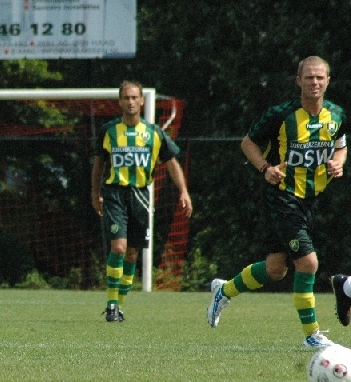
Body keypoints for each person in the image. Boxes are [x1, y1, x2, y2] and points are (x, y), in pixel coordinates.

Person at [207, 56, 347, 348]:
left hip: (310, 200)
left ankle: (224, 291)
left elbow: (341, 147)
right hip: (283, 196)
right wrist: (265, 169)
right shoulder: (281, 115)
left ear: (328, 81)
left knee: (276, 268)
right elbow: (248, 143)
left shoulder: (336, 115)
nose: (315, 82)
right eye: (309, 77)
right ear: (298, 81)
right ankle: (311, 335)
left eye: (320, 77)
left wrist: (338, 162)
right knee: (308, 263)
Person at [91, 80, 192, 322]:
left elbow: (171, 162)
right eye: (126, 98)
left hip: (140, 197)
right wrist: (95, 193)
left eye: (134, 97)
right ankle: (112, 304)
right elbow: (99, 164)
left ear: (142, 101)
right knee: (119, 247)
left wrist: (184, 191)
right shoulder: (109, 131)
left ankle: (120, 304)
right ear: (120, 102)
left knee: (132, 254)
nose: (130, 102)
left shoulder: (154, 133)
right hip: (115, 193)